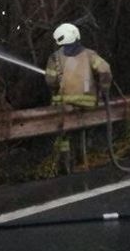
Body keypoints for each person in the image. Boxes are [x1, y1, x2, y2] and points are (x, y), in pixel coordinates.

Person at [43, 23, 112, 173]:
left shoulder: (55, 58)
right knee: (83, 128)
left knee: (63, 135)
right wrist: (103, 90)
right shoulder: (90, 54)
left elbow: (50, 81)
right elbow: (105, 70)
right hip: (88, 104)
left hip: (64, 106)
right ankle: (84, 156)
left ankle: (65, 165)